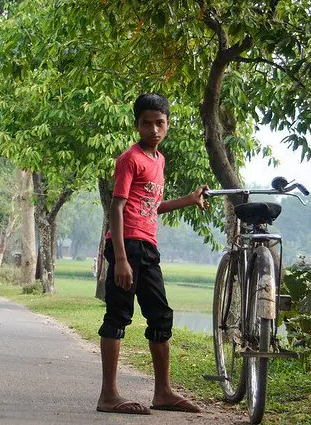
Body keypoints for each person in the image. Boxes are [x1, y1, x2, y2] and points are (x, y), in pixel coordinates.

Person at [96, 93, 206, 415]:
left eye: (160, 123)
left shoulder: (159, 160)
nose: (154, 130)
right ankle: (108, 395)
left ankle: (163, 392)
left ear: (168, 125)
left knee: (160, 316)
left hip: (148, 246)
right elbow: (117, 208)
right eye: (147, 123)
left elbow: (152, 207)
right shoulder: (129, 159)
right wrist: (119, 259)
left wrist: (188, 200)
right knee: (118, 316)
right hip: (125, 244)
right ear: (137, 125)